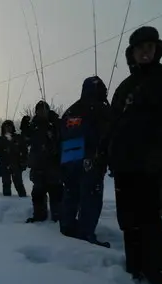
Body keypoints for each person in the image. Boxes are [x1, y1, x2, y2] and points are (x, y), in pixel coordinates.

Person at [109, 26, 162, 284]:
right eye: (139, 48)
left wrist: (159, 149)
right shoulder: (125, 87)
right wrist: (109, 155)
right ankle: (135, 271)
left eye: (149, 47)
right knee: (128, 220)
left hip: (152, 164)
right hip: (124, 165)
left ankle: (158, 280)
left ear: (157, 49)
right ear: (131, 53)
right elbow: (113, 124)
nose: (144, 52)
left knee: (149, 220)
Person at [59, 76, 111, 247]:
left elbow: (60, 135)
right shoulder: (100, 109)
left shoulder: (70, 110)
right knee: (91, 197)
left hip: (68, 159)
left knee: (70, 194)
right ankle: (85, 234)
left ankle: (66, 228)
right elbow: (109, 135)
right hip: (91, 159)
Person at [26, 101, 62, 223]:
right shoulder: (33, 125)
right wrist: (24, 129)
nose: (41, 112)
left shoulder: (56, 123)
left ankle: (58, 217)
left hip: (53, 164)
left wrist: (54, 133)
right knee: (38, 193)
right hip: (38, 165)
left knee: (56, 192)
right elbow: (26, 141)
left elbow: (62, 138)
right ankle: (39, 217)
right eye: (39, 110)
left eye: (44, 110)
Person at [0, 120, 28, 197]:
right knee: (6, 184)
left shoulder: (18, 138)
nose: (8, 128)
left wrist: (23, 161)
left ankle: (24, 201)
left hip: (16, 165)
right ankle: (7, 203)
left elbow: (24, 150)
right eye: (6, 127)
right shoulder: (1, 139)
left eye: (9, 126)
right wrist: (3, 151)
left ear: (13, 128)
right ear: (3, 128)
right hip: (4, 165)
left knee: (19, 184)